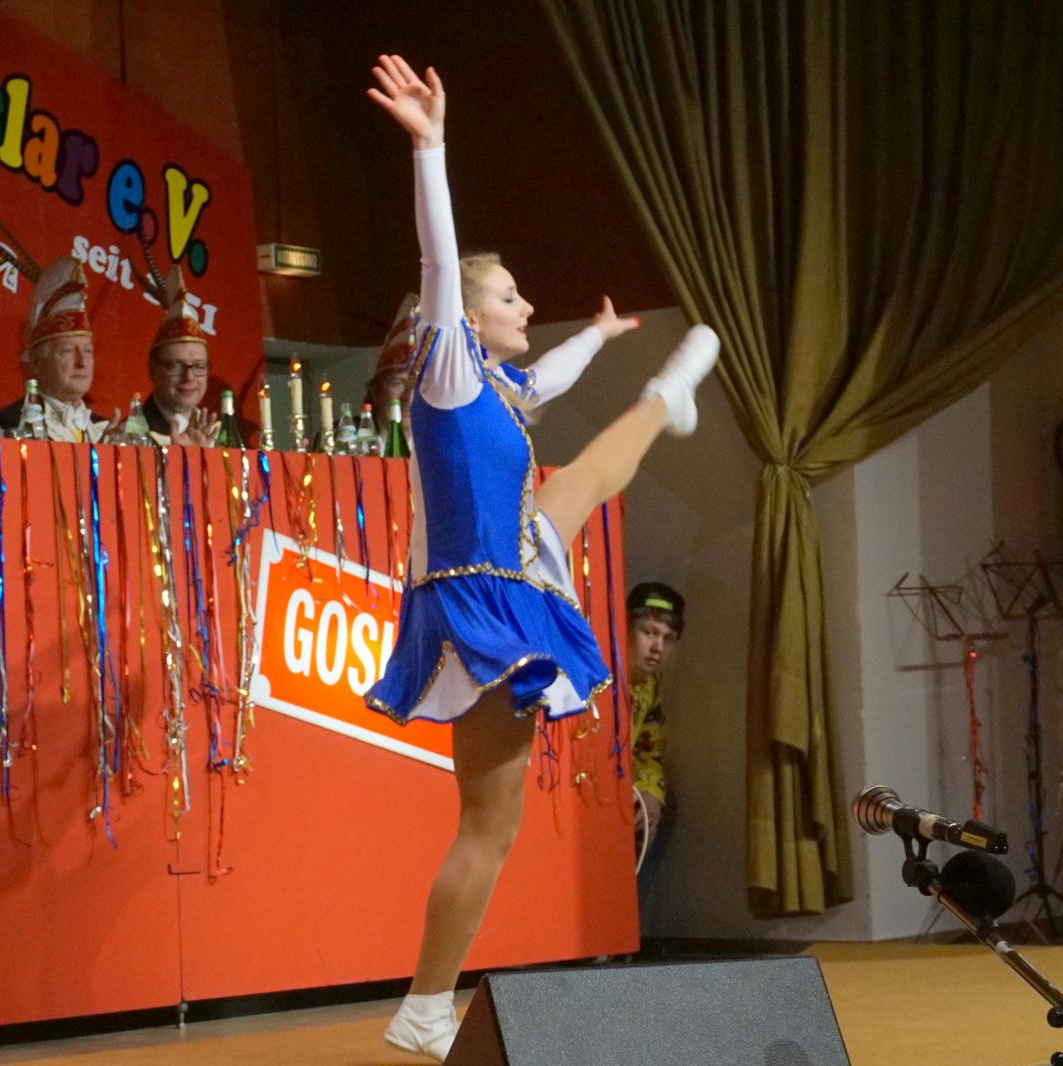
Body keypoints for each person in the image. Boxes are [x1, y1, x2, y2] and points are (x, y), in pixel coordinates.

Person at [361, 55, 720, 1062]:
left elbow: (546, 381)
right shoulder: (444, 370)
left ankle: (667, 397)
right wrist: (431, 149)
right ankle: (426, 1004)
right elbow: (439, 266)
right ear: (468, 318)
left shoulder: (493, 388)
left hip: (509, 568)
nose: (527, 308)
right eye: (511, 297)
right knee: (489, 824)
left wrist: (599, 339)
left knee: (588, 477)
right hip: (478, 600)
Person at [0, 256, 110, 441]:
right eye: (68, 351)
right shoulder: (8, 424)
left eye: (88, 351)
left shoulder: (104, 431)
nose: (82, 362)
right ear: (38, 363)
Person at [627, 582, 684, 887]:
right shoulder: (600, 676)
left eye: (668, 638)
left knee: (660, 808)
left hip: (627, 788)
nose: (658, 648)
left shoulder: (650, 686)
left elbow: (649, 751)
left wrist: (650, 792)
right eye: (648, 632)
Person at [143, 267, 220, 445]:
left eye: (199, 366)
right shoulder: (130, 436)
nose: (189, 377)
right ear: (152, 369)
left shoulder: (219, 436)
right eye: (176, 366)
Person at [366, 292, 418, 441]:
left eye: (417, 385)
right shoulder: (349, 444)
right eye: (398, 383)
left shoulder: (440, 448)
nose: (408, 396)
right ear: (376, 392)